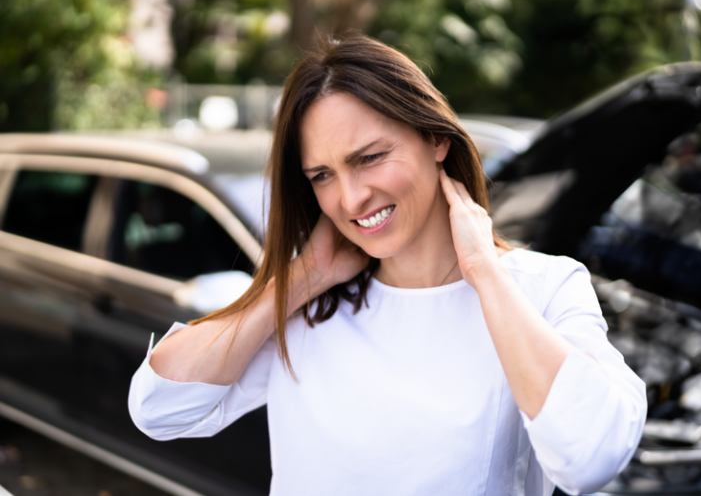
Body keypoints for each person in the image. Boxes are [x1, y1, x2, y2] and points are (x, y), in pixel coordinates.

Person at [128, 34, 646, 496]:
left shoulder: (544, 288)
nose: (351, 198)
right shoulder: (312, 305)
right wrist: (303, 278)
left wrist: (484, 272)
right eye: (322, 175)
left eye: (369, 157)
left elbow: (589, 457)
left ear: (437, 139)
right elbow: (159, 407)